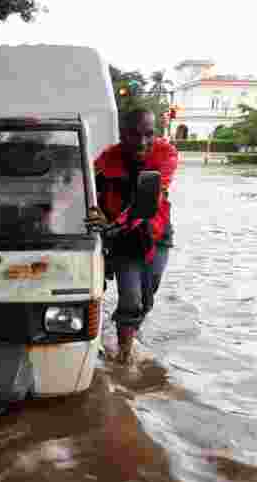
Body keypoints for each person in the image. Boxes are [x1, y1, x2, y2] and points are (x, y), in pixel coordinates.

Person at [93, 108, 179, 363]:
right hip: (122, 238)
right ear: (122, 134)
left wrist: (112, 223)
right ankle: (124, 355)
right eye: (134, 135)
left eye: (149, 134)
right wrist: (95, 213)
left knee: (147, 296)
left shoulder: (166, 154)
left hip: (156, 234)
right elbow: (82, 189)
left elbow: (150, 198)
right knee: (130, 297)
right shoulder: (108, 159)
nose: (142, 142)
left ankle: (130, 330)